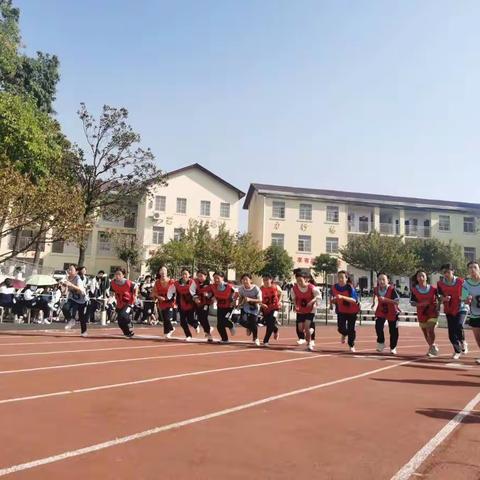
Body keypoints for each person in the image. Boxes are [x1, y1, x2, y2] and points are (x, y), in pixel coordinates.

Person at [437, 263, 468, 359]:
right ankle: (457, 351)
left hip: (461, 308)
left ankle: (463, 342)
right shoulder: (440, 284)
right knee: (451, 332)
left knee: (458, 325)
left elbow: (467, 294)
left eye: (448, 271)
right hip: (449, 309)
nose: (446, 274)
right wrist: (443, 299)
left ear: (453, 271)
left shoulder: (461, 281)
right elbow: (440, 296)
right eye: (444, 272)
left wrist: (463, 297)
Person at [410, 269, 439, 357]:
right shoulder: (414, 290)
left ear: (426, 277)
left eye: (423, 275)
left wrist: (438, 306)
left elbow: (440, 299)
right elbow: (412, 303)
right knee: (425, 332)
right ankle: (431, 347)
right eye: (419, 276)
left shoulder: (434, 289)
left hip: (432, 312)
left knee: (430, 329)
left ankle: (432, 345)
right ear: (417, 278)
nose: (421, 277)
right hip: (421, 313)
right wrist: (421, 304)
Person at [330, 271, 360, 352]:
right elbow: (333, 298)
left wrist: (342, 297)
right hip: (341, 310)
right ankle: (344, 333)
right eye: (339, 277)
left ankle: (351, 345)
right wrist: (332, 302)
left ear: (346, 279)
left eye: (342, 277)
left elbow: (354, 300)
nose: (340, 279)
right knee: (340, 328)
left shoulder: (350, 287)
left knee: (351, 329)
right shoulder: (334, 287)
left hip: (352, 311)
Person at [371, 273, 400, 355]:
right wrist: (373, 303)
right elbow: (375, 295)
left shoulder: (392, 289)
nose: (381, 281)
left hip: (392, 311)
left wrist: (386, 299)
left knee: (393, 331)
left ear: (388, 280)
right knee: (378, 327)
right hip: (381, 310)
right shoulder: (376, 289)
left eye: (383, 279)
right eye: (379, 279)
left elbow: (397, 301)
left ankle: (393, 347)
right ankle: (381, 342)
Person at [292, 269, 320, 351]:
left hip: (310, 309)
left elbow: (318, 297)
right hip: (301, 309)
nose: (299, 283)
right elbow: (294, 298)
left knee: (307, 327)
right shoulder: (294, 288)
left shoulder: (312, 288)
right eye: (297, 281)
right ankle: (309, 333)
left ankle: (309, 343)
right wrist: (295, 305)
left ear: (306, 279)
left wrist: (311, 302)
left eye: (301, 281)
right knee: (300, 328)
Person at [461, 261, 480, 365]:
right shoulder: (466, 284)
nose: (473, 269)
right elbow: (464, 300)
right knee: (478, 338)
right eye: (470, 268)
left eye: (475, 267)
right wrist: (467, 299)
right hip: (474, 314)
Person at [62, 264, 88, 336]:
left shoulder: (78, 279)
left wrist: (71, 285)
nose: (69, 271)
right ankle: (71, 320)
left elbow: (80, 289)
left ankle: (84, 331)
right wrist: (64, 288)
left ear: (76, 272)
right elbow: (65, 291)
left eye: (71, 270)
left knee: (81, 316)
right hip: (72, 298)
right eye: (68, 269)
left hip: (81, 299)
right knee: (65, 308)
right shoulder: (67, 278)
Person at [210, 271, 236, 343]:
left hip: (229, 307)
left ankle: (231, 325)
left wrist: (234, 302)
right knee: (219, 324)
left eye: (218, 278)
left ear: (222, 278)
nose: (216, 280)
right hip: (220, 307)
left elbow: (237, 294)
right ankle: (225, 339)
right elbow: (210, 292)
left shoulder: (229, 286)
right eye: (214, 278)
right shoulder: (213, 286)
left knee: (224, 321)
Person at [109, 267, 136, 337]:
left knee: (123, 315)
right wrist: (110, 300)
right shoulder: (112, 283)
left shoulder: (128, 283)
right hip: (119, 303)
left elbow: (136, 286)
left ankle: (129, 323)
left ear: (123, 275)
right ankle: (127, 333)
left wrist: (134, 297)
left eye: (119, 274)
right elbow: (111, 293)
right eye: (116, 274)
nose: (117, 276)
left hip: (128, 303)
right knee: (120, 321)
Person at [238, 273, 263, 346]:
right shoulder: (241, 288)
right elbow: (241, 297)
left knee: (253, 323)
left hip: (254, 308)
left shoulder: (256, 288)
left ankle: (256, 338)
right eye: (243, 280)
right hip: (245, 307)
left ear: (251, 280)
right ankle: (249, 327)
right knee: (242, 321)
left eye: (246, 279)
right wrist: (239, 304)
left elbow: (260, 300)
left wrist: (250, 299)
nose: (245, 281)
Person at [174, 268, 198, 341]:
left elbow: (196, 292)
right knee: (182, 322)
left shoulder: (192, 282)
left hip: (191, 304)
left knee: (190, 320)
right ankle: (188, 335)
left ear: (189, 275)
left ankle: (196, 325)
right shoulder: (178, 283)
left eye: (186, 274)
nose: (184, 275)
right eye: (183, 274)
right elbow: (174, 292)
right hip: (182, 304)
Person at [152, 267, 176, 338]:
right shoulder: (157, 282)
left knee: (167, 317)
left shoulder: (171, 281)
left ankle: (171, 329)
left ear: (167, 272)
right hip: (161, 302)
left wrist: (172, 298)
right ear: (159, 272)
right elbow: (154, 292)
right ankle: (166, 332)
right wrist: (159, 297)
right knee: (164, 318)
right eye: (161, 270)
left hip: (170, 302)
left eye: (165, 270)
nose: (163, 272)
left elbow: (175, 291)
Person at [260, 274, 281, 346]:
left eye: (267, 280)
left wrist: (279, 301)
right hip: (265, 308)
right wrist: (261, 304)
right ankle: (275, 329)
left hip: (275, 308)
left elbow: (281, 293)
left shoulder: (276, 287)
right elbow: (259, 298)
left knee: (271, 321)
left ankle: (266, 340)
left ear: (271, 280)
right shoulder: (261, 289)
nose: (265, 281)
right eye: (264, 280)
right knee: (268, 323)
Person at [193, 269, 214, 342]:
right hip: (198, 303)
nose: (199, 278)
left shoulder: (210, 283)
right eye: (198, 276)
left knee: (204, 317)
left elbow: (214, 292)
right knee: (200, 318)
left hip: (206, 303)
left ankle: (208, 334)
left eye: (201, 276)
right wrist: (195, 298)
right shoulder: (195, 282)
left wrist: (208, 295)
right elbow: (192, 291)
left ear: (206, 275)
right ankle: (207, 329)